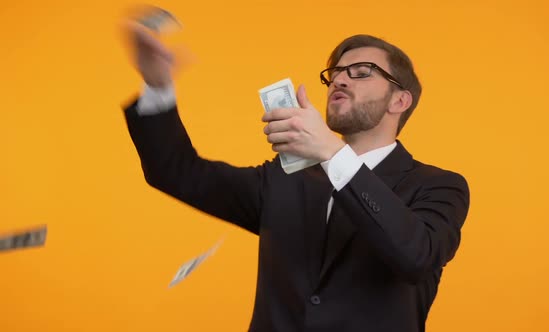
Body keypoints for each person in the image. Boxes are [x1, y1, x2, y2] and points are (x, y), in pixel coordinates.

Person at [122, 21, 470, 332]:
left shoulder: (439, 186)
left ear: (400, 101)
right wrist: (157, 88)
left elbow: (416, 256)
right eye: (335, 73)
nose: (340, 78)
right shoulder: (285, 178)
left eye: (361, 72)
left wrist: (332, 153)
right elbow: (178, 172)